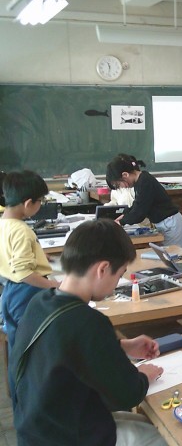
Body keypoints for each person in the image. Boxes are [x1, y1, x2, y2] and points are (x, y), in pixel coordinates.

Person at [9, 219, 166, 445]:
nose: (116, 284)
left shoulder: (41, 301)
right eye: (119, 274)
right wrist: (144, 376)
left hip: (37, 429)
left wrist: (123, 346)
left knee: (141, 424)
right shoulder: (88, 321)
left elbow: (63, 347)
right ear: (103, 269)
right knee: (163, 438)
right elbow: (127, 395)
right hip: (66, 437)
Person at [0, 171, 58, 356]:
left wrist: (37, 255)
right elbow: (24, 273)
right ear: (28, 203)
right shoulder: (21, 230)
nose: (41, 205)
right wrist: (54, 285)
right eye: (40, 201)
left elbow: (9, 255)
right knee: (32, 346)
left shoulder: (3, 224)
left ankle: (17, 374)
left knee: (18, 344)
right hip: (27, 292)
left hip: (10, 291)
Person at [106, 155, 182, 247]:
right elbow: (137, 204)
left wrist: (122, 222)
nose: (121, 187)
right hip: (165, 224)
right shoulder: (140, 181)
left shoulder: (145, 181)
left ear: (125, 175)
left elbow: (139, 213)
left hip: (170, 224)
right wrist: (124, 215)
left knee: (173, 255)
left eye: (118, 184)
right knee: (165, 254)